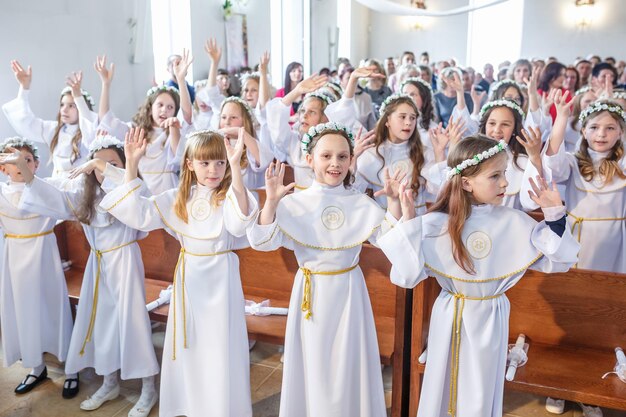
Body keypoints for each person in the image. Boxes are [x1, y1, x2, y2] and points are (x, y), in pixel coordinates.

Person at [378, 135, 579, 417]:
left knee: (481, 392)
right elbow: (406, 276)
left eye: (505, 174)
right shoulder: (437, 223)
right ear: (466, 182)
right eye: (495, 176)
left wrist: (554, 214)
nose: (506, 183)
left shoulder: (513, 222)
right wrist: (409, 220)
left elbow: (560, 259)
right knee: (443, 387)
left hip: (491, 318)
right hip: (450, 316)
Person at [100, 127, 258, 417]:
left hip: (221, 281)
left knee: (220, 348)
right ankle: (195, 407)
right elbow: (140, 214)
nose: (214, 170)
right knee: (191, 346)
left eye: (220, 162)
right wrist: (132, 164)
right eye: (205, 162)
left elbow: (239, 225)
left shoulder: (232, 195)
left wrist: (236, 169)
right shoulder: (177, 198)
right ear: (189, 163)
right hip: (190, 280)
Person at [248, 122, 402, 417]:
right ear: (309, 159)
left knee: (347, 361)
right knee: (315, 362)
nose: (335, 163)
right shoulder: (295, 203)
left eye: (342, 157)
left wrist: (393, 202)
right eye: (326, 156)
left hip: (349, 293)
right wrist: (271, 202)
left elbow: (391, 240)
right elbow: (262, 243)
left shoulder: (360, 203)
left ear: (350, 160)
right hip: (311, 294)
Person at [15, 134, 159, 417]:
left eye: (111, 163)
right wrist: (26, 173)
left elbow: (132, 192)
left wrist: (110, 164)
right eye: (98, 163)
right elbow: (52, 197)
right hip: (99, 264)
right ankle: (109, 382)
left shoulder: (132, 190)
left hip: (125, 262)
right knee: (102, 323)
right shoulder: (86, 197)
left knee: (133, 324)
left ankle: (148, 388)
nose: (103, 168)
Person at [0, 138, 74, 398]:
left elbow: (66, 206)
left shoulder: (46, 187)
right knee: (25, 313)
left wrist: (31, 179)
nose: (20, 165)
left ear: (37, 164)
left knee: (55, 309)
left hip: (44, 256)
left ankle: (72, 367)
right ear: (3, 168)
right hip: (15, 262)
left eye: (27, 160)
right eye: (13, 161)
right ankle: (36, 366)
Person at [96, 55, 188, 194]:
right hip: (140, 188)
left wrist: (181, 81)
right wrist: (106, 84)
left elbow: (186, 117)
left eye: (170, 107)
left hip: (167, 191)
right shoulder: (135, 130)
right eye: (160, 105)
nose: (164, 110)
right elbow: (106, 119)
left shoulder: (172, 133)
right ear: (150, 108)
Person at [3, 60, 98, 178]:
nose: (64, 110)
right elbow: (27, 123)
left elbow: (90, 127)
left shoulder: (88, 132)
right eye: (62, 104)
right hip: (57, 186)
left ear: (82, 107)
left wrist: (78, 96)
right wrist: (24, 88)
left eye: (71, 105)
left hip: (80, 188)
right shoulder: (54, 130)